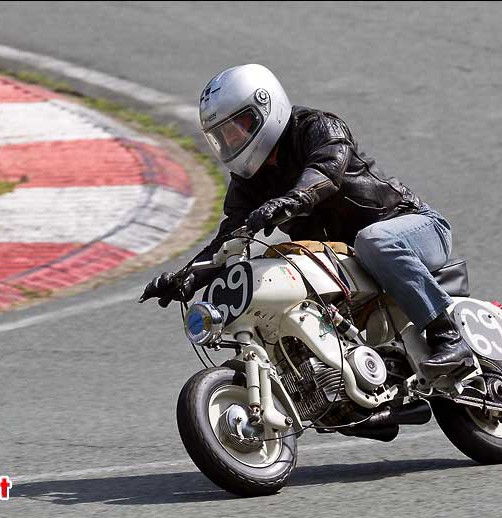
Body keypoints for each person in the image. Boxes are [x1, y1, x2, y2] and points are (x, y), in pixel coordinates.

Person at [140, 64, 473, 379]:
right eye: (223, 136)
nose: (232, 141)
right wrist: (186, 278)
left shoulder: (318, 127)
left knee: (374, 240)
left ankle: (448, 337)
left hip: (411, 226)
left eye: (237, 128)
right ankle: (337, 388)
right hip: (347, 262)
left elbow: (327, 170)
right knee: (288, 289)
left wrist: (291, 199)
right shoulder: (247, 183)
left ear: (264, 106)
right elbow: (229, 239)